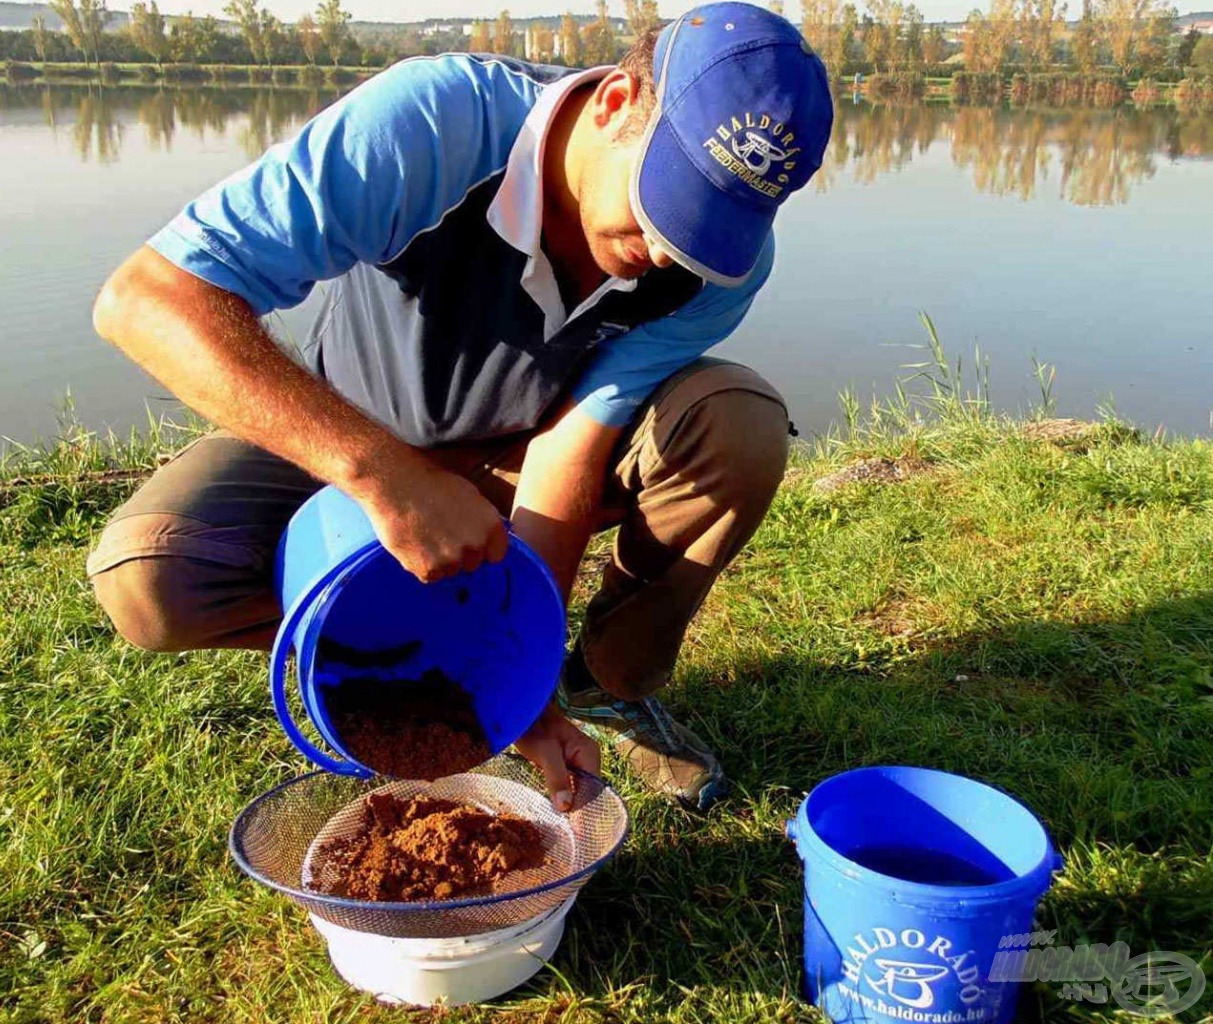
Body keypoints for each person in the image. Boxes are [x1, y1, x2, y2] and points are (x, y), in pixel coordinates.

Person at [87, 2, 833, 813]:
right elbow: (146, 298)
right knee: (149, 580)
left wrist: (523, 678)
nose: (663, 251)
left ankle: (605, 682)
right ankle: (388, 642)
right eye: (668, 203)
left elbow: (567, 448)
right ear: (616, 103)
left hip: (521, 451)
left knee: (736, 422)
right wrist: (383, 478)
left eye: (707, 228)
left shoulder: (717, 270)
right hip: (348, 436)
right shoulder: (438, 121)